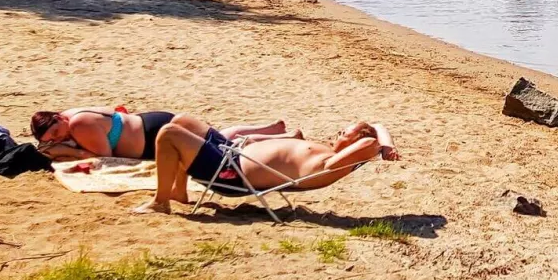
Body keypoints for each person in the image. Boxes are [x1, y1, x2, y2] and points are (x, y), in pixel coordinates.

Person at [135, 115, 397, 214]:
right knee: (183, 121)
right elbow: (377, 124)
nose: (337, 133)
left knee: (169, 133)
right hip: (232, 155)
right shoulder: (327, 151)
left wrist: (381, 145)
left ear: (358, 142)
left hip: (229, 173)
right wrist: (386, 140)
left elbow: (370, 142)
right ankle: (178, 192)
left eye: (344, 133)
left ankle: (160, 202)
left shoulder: (330, 162)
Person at [29, 107, 292, 162]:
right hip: (150, 122)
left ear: (59, 118)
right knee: (218, 139)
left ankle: (281, 138)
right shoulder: (75, 112)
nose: (57, 138)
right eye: (51, 140)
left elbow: (104, 157)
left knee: (224, 149)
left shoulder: (78, 124)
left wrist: (69, 151)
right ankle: (272, 130)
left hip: (151, 138)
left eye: (55, 132)